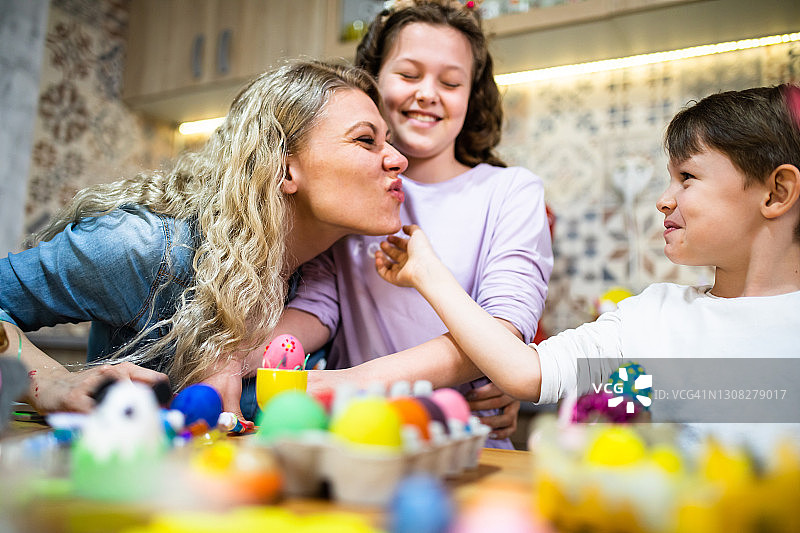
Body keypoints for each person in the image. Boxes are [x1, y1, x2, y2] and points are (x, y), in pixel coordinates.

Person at [369, 84, 800, 457]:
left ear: (776, 192)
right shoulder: (650, 317)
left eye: (687, 177)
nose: (664, 200)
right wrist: (427, 273)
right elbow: (523, 371)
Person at [0, 59, 408, 417]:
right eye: (365, 140)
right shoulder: (144, 247)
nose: (398, 158)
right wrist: (49, 382)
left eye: (388, 140)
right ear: (284, 170)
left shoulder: (320, 274)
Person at [253, 0, 553, 447]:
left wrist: (340, 384)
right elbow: (316, 306)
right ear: (371, 83)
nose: (428, 93)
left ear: (471, 96)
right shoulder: (352, 190)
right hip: (356, 441)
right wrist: (237, 357)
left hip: (465, 444)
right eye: (409, 75)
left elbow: (504, 331)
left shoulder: (512, 191)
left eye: (451, 82)